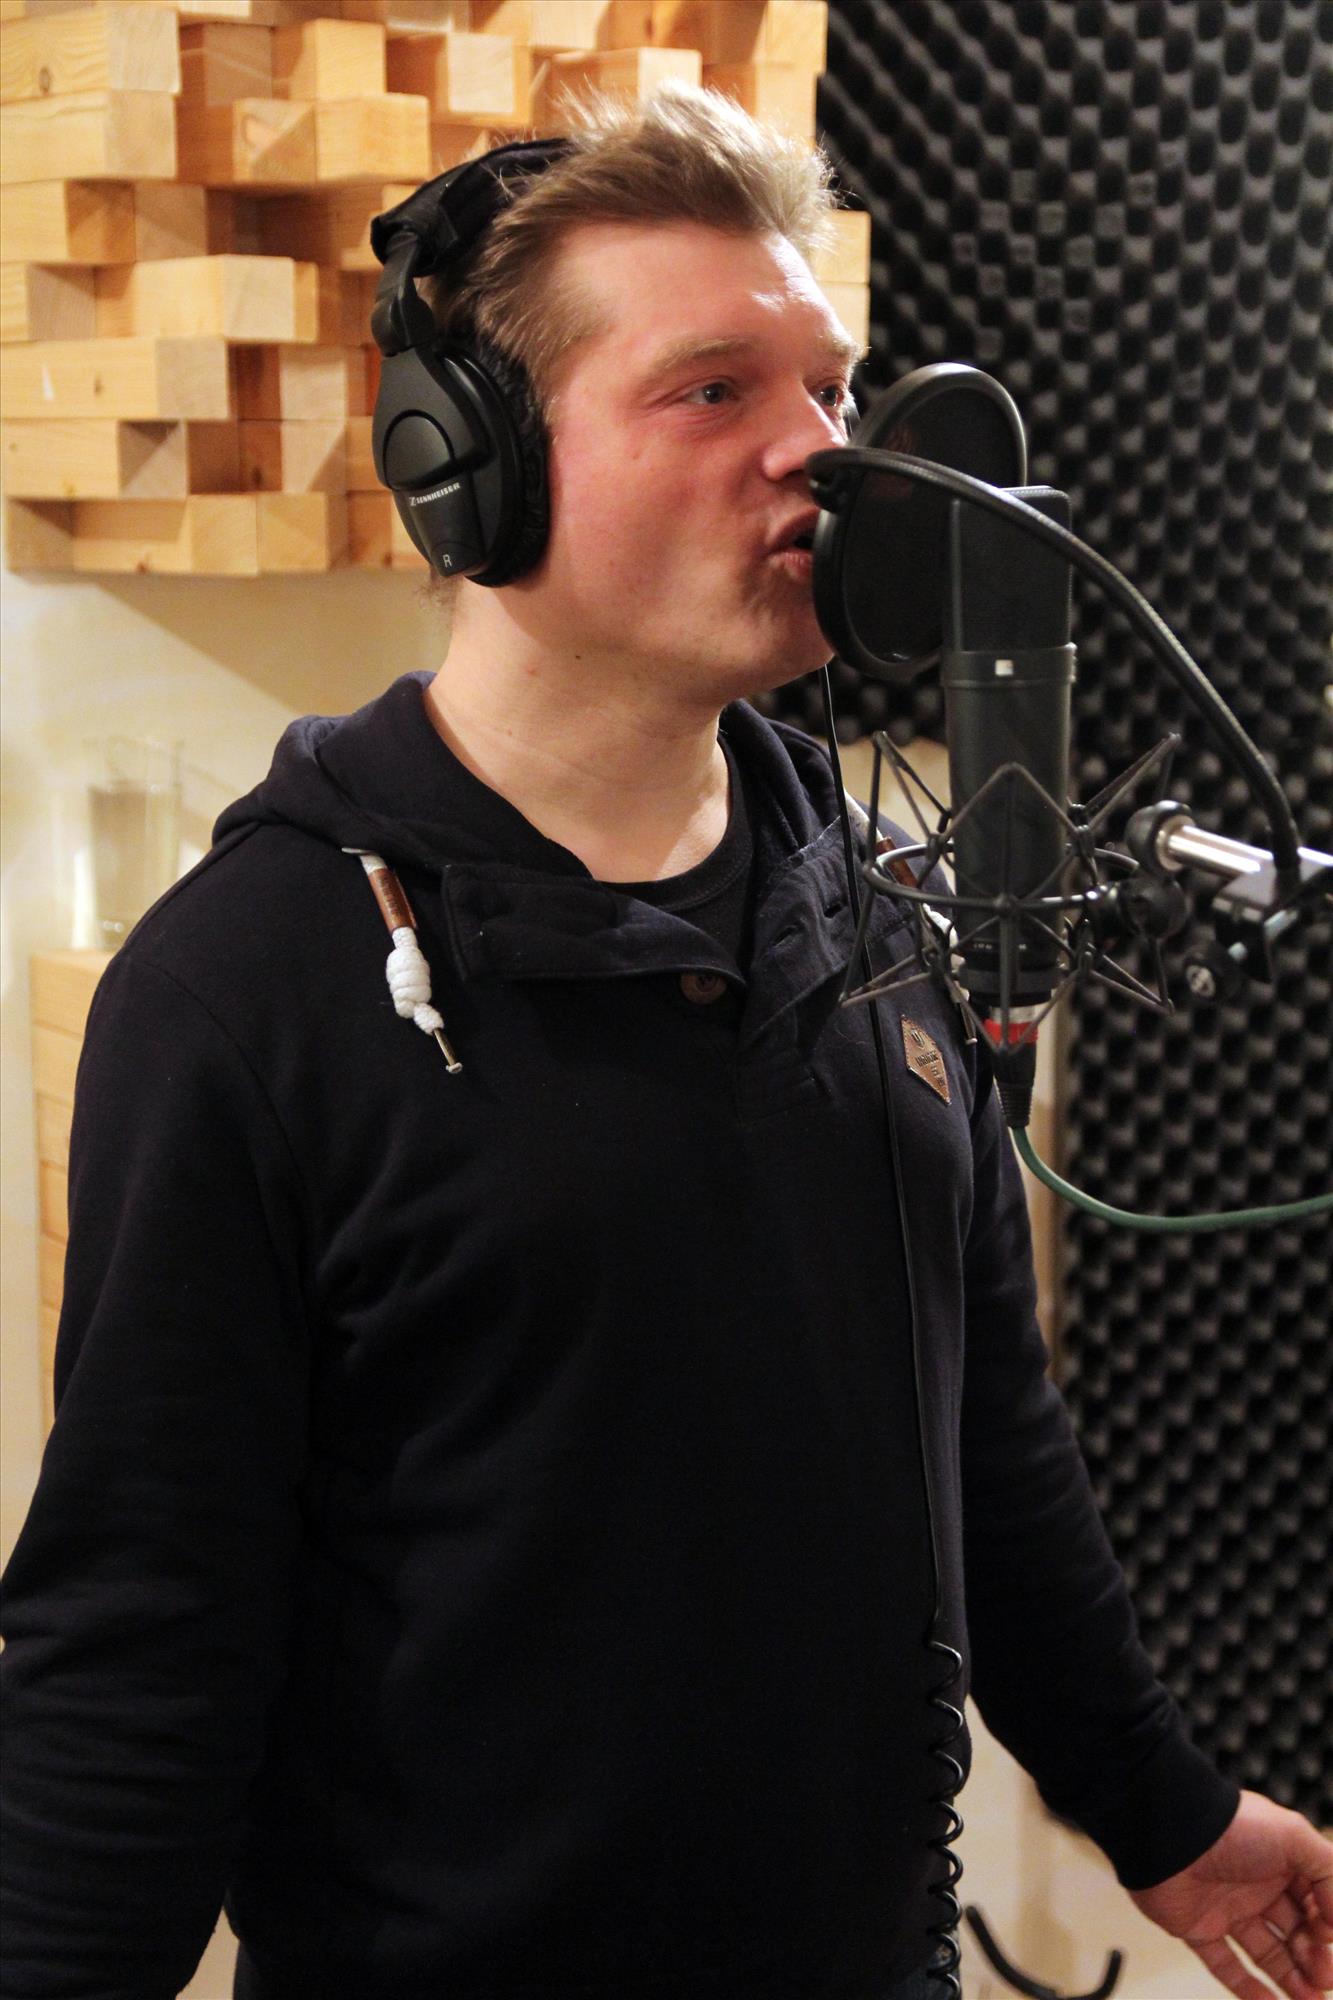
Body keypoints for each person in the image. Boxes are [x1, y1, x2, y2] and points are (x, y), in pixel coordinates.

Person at [2, 84, 1330, 2000]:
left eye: (831, 390)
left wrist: (1167, 1812)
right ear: (470, 472)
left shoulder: (881, 910)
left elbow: (981, 1433)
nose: (821, 456)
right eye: (711, 391)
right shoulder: (251, 987)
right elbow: (141, 1638)